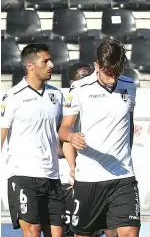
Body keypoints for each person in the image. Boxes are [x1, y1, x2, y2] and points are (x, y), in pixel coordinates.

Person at [58, 40, 139, 237]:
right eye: (108, 72)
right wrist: (71, 137)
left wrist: (126, 155)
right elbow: (63, 129)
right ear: (97, 66)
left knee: (129, 232)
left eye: (117, 72)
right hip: (89, 179)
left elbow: (129, 124)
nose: (113, 78)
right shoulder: (79, 88)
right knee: (84, 234)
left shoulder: (129, 86)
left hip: (123, 177)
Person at [1, 44, 65, 237]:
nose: (51, 64)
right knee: (33, 231)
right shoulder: (12, 97)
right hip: (24, 175)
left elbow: (61, 135)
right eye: (45, 61)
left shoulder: (57, 95)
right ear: (30, 65)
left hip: (53, 176)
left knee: (57, 233)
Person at [59, 63, 92, 237]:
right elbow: (65, 138)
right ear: (72, 82)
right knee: (71, 229)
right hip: (69, 175)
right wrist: (73, 168)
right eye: (83, 77)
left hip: (95, 174)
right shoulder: (67, 102)